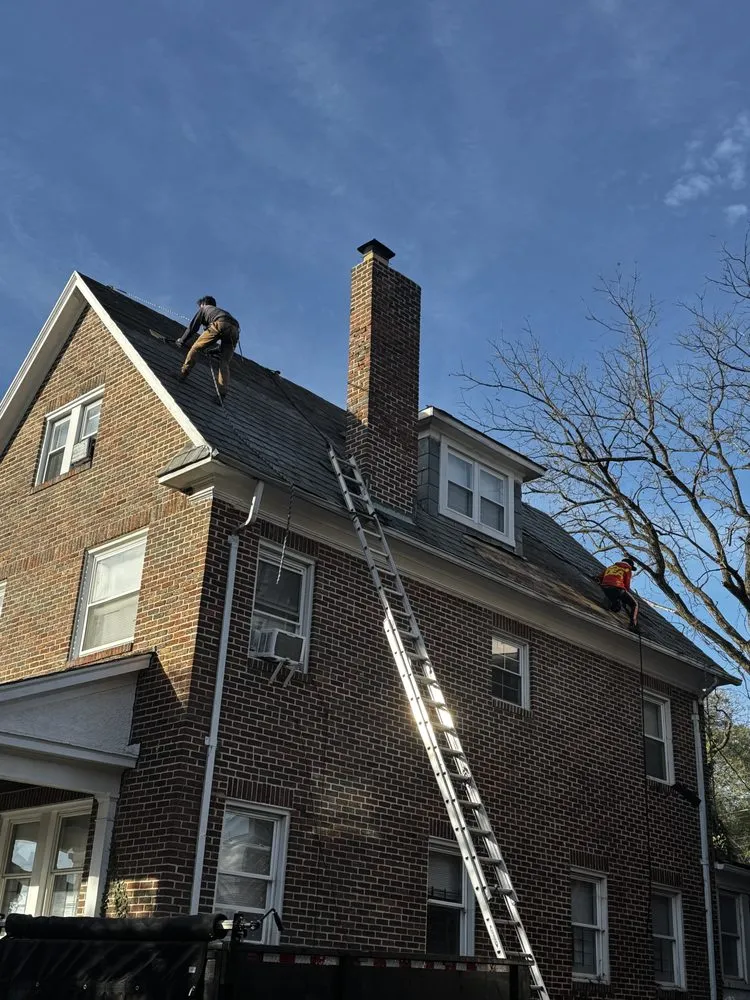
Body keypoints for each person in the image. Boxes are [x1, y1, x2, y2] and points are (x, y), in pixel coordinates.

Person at [176, 296, 241, 400]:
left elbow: (193, 328)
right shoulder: (219, 312)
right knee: (224, 362)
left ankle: (183, 374)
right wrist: (214, 350)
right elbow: (224, 341)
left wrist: (182, 340)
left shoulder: (204, 308)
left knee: (196, 348)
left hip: (220, 324)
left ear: (204, 304)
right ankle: (222, 394)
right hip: (235, 330)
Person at [597, 556, 639, 630]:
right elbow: (627, 584)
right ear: (630, 565)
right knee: (635, 604)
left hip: (605, 587)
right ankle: (633, 625)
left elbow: (600, 577)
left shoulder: (611, 567)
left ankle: (610, 604)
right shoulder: (627, 569)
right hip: (617, 588)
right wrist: (625, 599)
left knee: (613, 597)